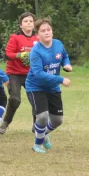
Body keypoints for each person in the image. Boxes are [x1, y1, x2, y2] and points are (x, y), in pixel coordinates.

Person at [25, 18, 72, 154]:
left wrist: (66, 64)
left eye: (49, 30)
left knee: (57, 120)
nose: (47, 33)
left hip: (52, 88)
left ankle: (42, 133)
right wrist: (60, 79)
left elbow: (64, 56)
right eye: (43, 31)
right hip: (36, 87)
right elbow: (39, 74)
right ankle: (37, 144)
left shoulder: (58, 44)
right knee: (42, 116)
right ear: (37, 34)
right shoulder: (35, 51)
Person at [0, 12, 39, 135]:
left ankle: (37, 124)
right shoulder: (15, 37)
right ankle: (5, 122)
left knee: (37, 99)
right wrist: (20, 55)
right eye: (26, 21)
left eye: (31, 21)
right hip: (14, 73)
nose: (29, 23)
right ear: (21, 25)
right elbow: (7, 54)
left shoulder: (37, 39)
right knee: (15, 99)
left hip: (31, 74)